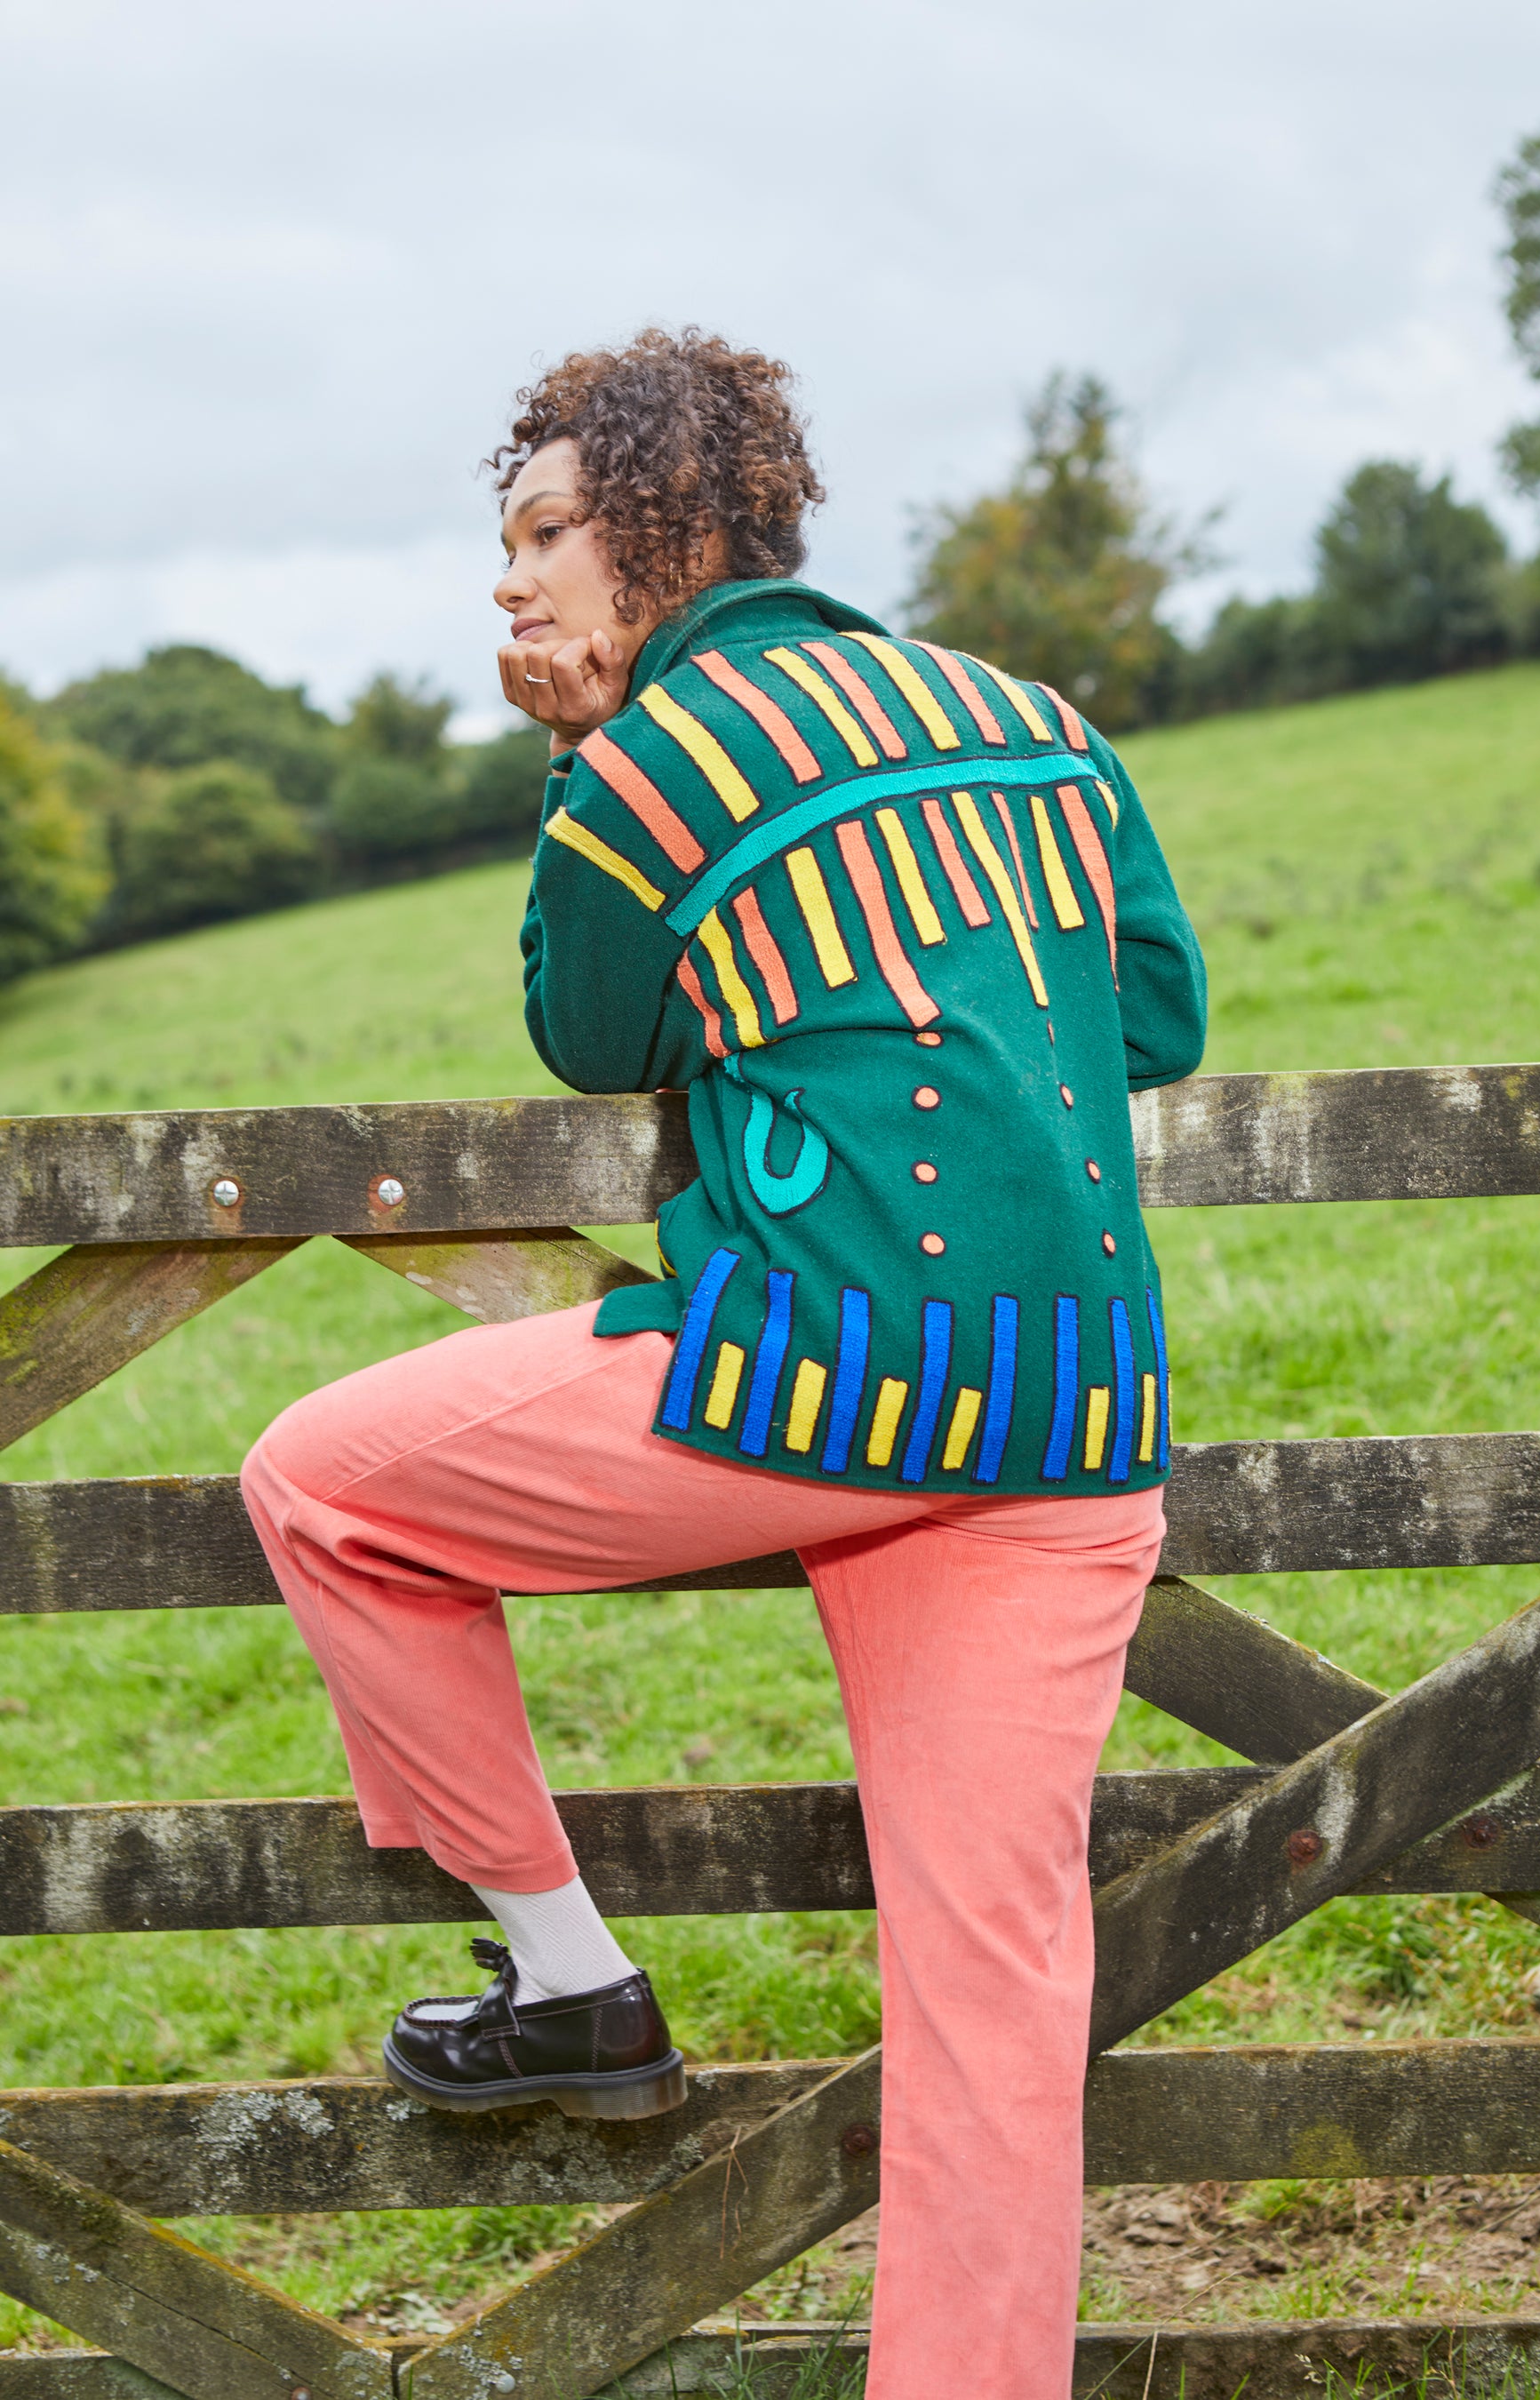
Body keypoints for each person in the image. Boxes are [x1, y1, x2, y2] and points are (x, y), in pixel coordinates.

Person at [240, 326, 1206, 2399]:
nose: (512, 583)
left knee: (320, 1480)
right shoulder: (1033, 718)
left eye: (547, 533)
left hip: (820, 1385)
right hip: (1076, 1414)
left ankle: (570, 1981)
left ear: (670, 526)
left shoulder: (650, 769)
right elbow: (1157, 1011)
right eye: (502, 546)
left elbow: (590, 1036)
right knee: (996, 1991)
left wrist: (588, 770)